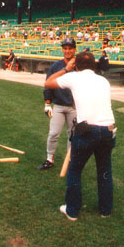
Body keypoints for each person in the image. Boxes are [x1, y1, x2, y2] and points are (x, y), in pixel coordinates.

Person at [44, 51, 116, 221]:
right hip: (108, 130)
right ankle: (105, 210)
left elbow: (48, 82)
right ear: (94, 65)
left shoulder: (73, 76)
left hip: (87, 131)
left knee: (75, 170)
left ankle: (72, 211)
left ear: (76, 66)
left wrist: (66, 69)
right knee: (105, 170)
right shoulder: (104, 81)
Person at [39, 38, 77, 170]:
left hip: (74, 107)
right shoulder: (56, 66)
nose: (67, 51)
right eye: (65, 48)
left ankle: (70, 161)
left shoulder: (80, 66)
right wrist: (47, 103)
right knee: (53, 133)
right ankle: (49, 159)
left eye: (70, 48)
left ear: (74, 49)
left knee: (72, 136)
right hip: (59, 106)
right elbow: (48, 85)